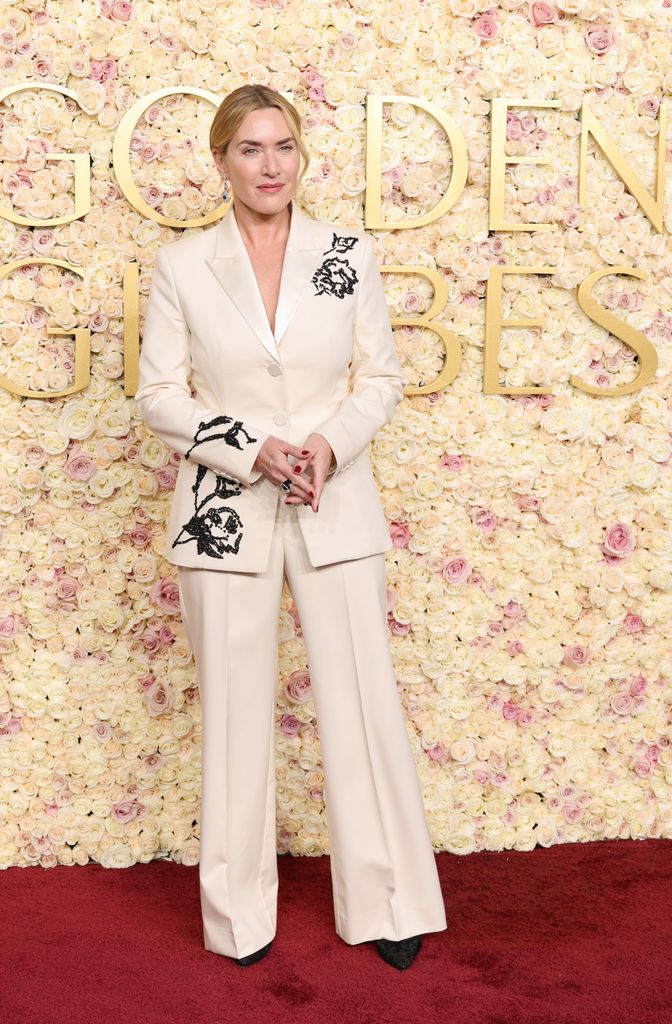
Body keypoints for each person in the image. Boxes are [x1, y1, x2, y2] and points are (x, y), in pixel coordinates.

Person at [135, 84, 447, 971]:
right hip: (223, 512)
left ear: (301, 155)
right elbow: (159, 396)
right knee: (234, 714)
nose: (269, 166)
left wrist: (324, 445)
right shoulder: (184, 266)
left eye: (282, 148)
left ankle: (387, 902)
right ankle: (239, 922)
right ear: (220, 159)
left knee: (360, 700)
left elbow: (379, 379)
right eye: (249, 149)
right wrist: (249, 448)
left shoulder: (348, 252)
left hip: (333, 498)